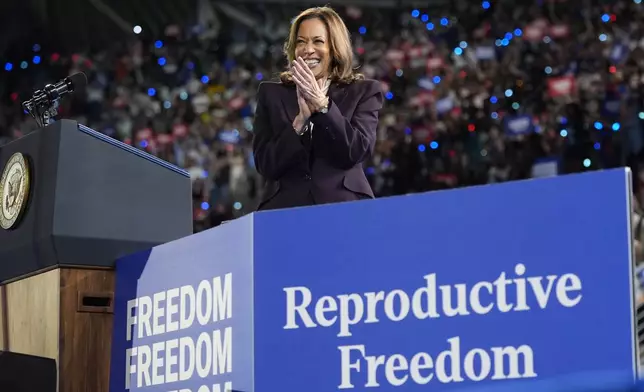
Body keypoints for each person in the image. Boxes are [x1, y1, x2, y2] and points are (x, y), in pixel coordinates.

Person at [252, 6, 384, 211]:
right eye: (301, 42)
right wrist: (298, 125)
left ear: (335, 47)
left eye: (318, 41)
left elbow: (356, 151)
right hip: (284, 211)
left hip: (345, 208)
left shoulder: (364, 91)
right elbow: (266, 165)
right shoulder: (271, 93)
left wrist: (323, 106)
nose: (308, 49)